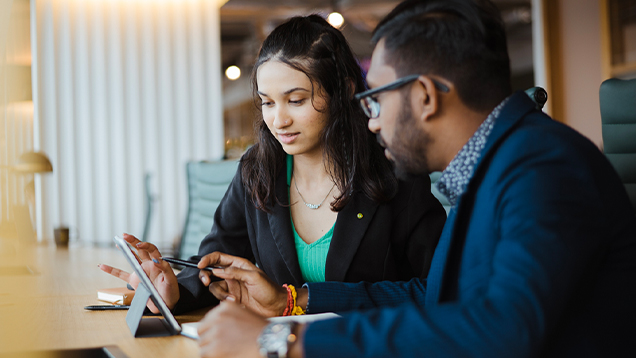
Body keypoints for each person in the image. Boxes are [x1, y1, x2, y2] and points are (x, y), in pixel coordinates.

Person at [192, 0, 636, 357]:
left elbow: (504, 329)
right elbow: (432, 298)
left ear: (423, 96)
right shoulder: (490, 167)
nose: (371, 122)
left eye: (378, 100)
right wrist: (295, 302)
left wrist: (287, 340)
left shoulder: (543, 168)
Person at [99, 15, 446, 314]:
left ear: (342, 90)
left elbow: (436, 291)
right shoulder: (259, 170)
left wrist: (299, 300)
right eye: (267, 103)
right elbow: (215, 264)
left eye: (296, 100)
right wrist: (174, 288)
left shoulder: (393, 171)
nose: (278, 120)